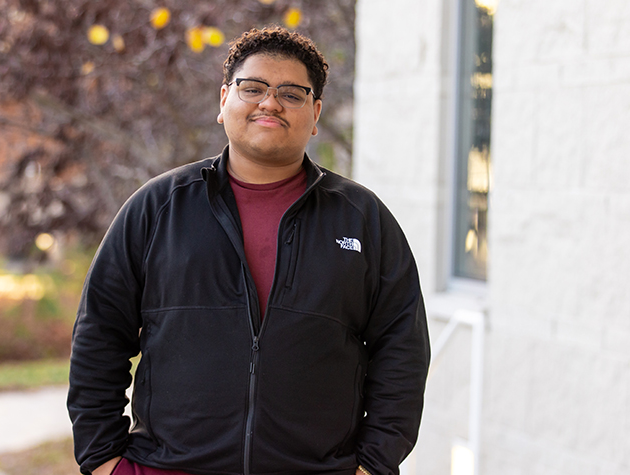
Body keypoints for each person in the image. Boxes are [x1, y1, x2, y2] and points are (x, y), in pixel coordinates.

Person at [67, 26, 430, 475]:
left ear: (315, 115)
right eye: (252, 88)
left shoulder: (362, 219)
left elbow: (403, 353)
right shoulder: (158, 207)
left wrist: (374, 465)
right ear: (224, 101)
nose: (270, 102)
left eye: (292, 94)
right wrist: (104, 460)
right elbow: (99, 335)